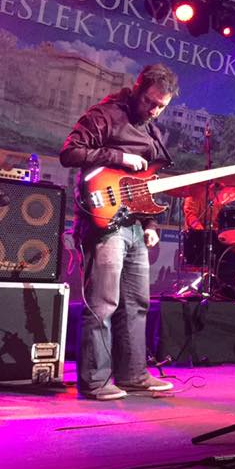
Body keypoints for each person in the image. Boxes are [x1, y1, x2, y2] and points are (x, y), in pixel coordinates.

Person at [60, 63, 179, 400]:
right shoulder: (106, 115)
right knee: (103, 302)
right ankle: (95, 381)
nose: (154, 111)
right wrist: (119, 157)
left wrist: (150, 224)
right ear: (137, 90)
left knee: (136, 303)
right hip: (103, 222)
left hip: (134, 225)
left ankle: (133, 375)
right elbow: (69, 152)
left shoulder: (152, 133)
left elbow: (144, 185)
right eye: (150, 102)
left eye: (161, 107)